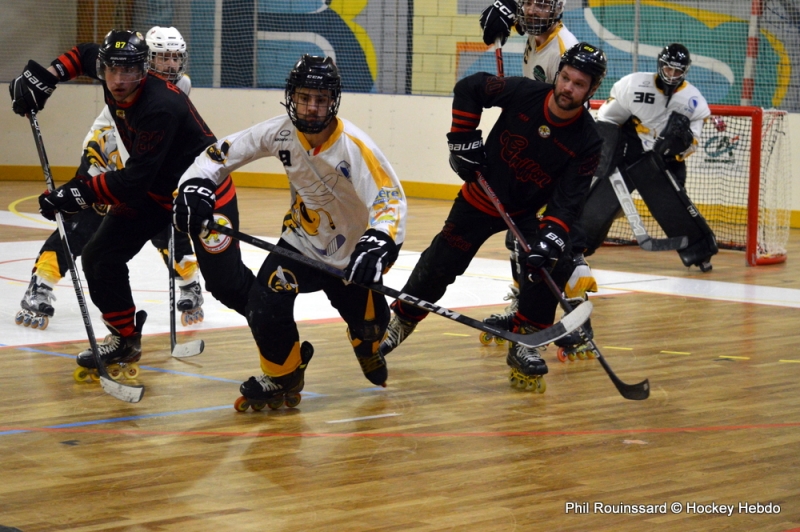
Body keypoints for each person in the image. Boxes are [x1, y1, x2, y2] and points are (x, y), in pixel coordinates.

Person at [173, 55, 407, 409]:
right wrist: (193, 185)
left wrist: (379, 241)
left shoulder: (355, 147)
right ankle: (284, 373)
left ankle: (365, 341)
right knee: (264, 304)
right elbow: (218, 156)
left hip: (351, 256)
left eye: (321, 99)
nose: (312, 108)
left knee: (371, 326)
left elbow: (389, 198)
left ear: (334, 100)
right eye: (304, 97)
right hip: (300, 243)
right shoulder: (278, 132)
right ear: (291, 97)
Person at [379, 43, 607, 393]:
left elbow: (569, 201)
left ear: (592, 90)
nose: (567, 88)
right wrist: (462, 140)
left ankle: (527, 343)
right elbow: (469, 88)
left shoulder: (588, 140)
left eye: (579, 84)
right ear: (557, 74)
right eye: (565, 78)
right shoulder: (524, 91)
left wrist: (549, 240)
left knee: (547, 266)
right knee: (441, 262)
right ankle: (403, 319)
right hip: (481, 196)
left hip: (527, 212)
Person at [8, 29, 218, 373]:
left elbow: (148, 168)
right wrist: (47, 76)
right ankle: (43, 281)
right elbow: (89, 56)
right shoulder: (122, 71)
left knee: (164, 230)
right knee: (83, 224)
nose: (169, 64)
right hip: (111, 152)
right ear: (147, 60)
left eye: (175, 57)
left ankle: (188, 278)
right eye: (162, 56)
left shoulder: (174, 91)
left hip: (144, 166)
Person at [480, 0, 596, 338]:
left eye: (542, 5)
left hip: (560, 157)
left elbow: (566, 113)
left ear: (557, 10)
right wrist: (499, 23)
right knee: (518, 239)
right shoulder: (537, 34)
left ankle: (579, 327)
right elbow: (515, 21)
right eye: (528, 3)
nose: (533, 11)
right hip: (536, 151)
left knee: (558, 245)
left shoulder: (564, 49)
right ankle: (522, 310)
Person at [578, 43, 718, 271]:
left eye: (678, 71)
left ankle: (700, 253)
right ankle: (579, 245)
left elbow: (693, 142)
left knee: (674, 208)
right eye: (668, 69)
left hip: (667, 161)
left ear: (686, 71)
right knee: (602, 200)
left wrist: (678, 146)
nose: (672, 75)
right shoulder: (633, 85)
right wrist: (607, 153)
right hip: (631, 153)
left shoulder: (694, 101)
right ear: (660, 65)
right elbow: (608, 119)